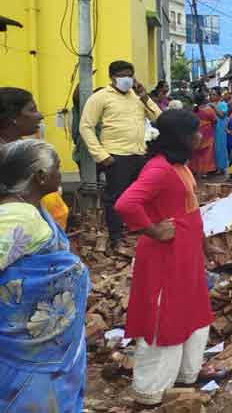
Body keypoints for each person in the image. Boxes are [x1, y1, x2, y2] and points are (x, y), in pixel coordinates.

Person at [114, 110, 213, 406]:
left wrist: (205, 246)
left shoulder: (179, 165)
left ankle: (185, 376)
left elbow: (190, 209)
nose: (200, 136)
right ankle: (151, 392)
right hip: (165, 256)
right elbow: (126, 203)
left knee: (190, 312)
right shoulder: (158, 169)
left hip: (186, 254)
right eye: (194, 132)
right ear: (179, 137)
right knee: (164, 318)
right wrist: (154, 230)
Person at [0, 140, 90, 412]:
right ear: (40, 176)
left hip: (41, 347)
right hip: (28, 352)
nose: (61, 175)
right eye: (58, 169)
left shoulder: (31, 210)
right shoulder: (19, 216)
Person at [79, 61, 161, 249]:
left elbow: (158, 118)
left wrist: (145, 97)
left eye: (130, 75)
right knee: (116, 198)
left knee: (141, 197)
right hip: (116, 156)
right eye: (123, 75)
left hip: (139, 154)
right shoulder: (100, 97)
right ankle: (116, 237)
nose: (127, 79)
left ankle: (140, 232)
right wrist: (100, 154)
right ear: (112, 77)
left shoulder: (137, 97)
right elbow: (86, 126)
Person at [0, 87, 70, 229]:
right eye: (32, 110)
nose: (40, 116)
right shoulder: (5, 157)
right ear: (13, 118)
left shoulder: (24, 148)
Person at [189, 92, 216, 177]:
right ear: (204, 99)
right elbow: (215, 120)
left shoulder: (193, 110)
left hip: (196, 133)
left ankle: (196, 170)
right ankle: (205, 172)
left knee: (196, 153)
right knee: (207, 154)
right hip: (208, 134)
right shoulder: (209, 110)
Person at [209, 88, 229, 173]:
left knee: (220, 147)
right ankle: (214, 167)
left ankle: (221, 167)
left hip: (220, 128)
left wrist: (214, 106)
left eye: (214, 94)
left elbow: (221, 115)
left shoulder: (223, 104)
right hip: (212, 129)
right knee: (213, 148)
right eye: (211, 95)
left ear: (219, 96)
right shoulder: (209, 105)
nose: (211, 96)